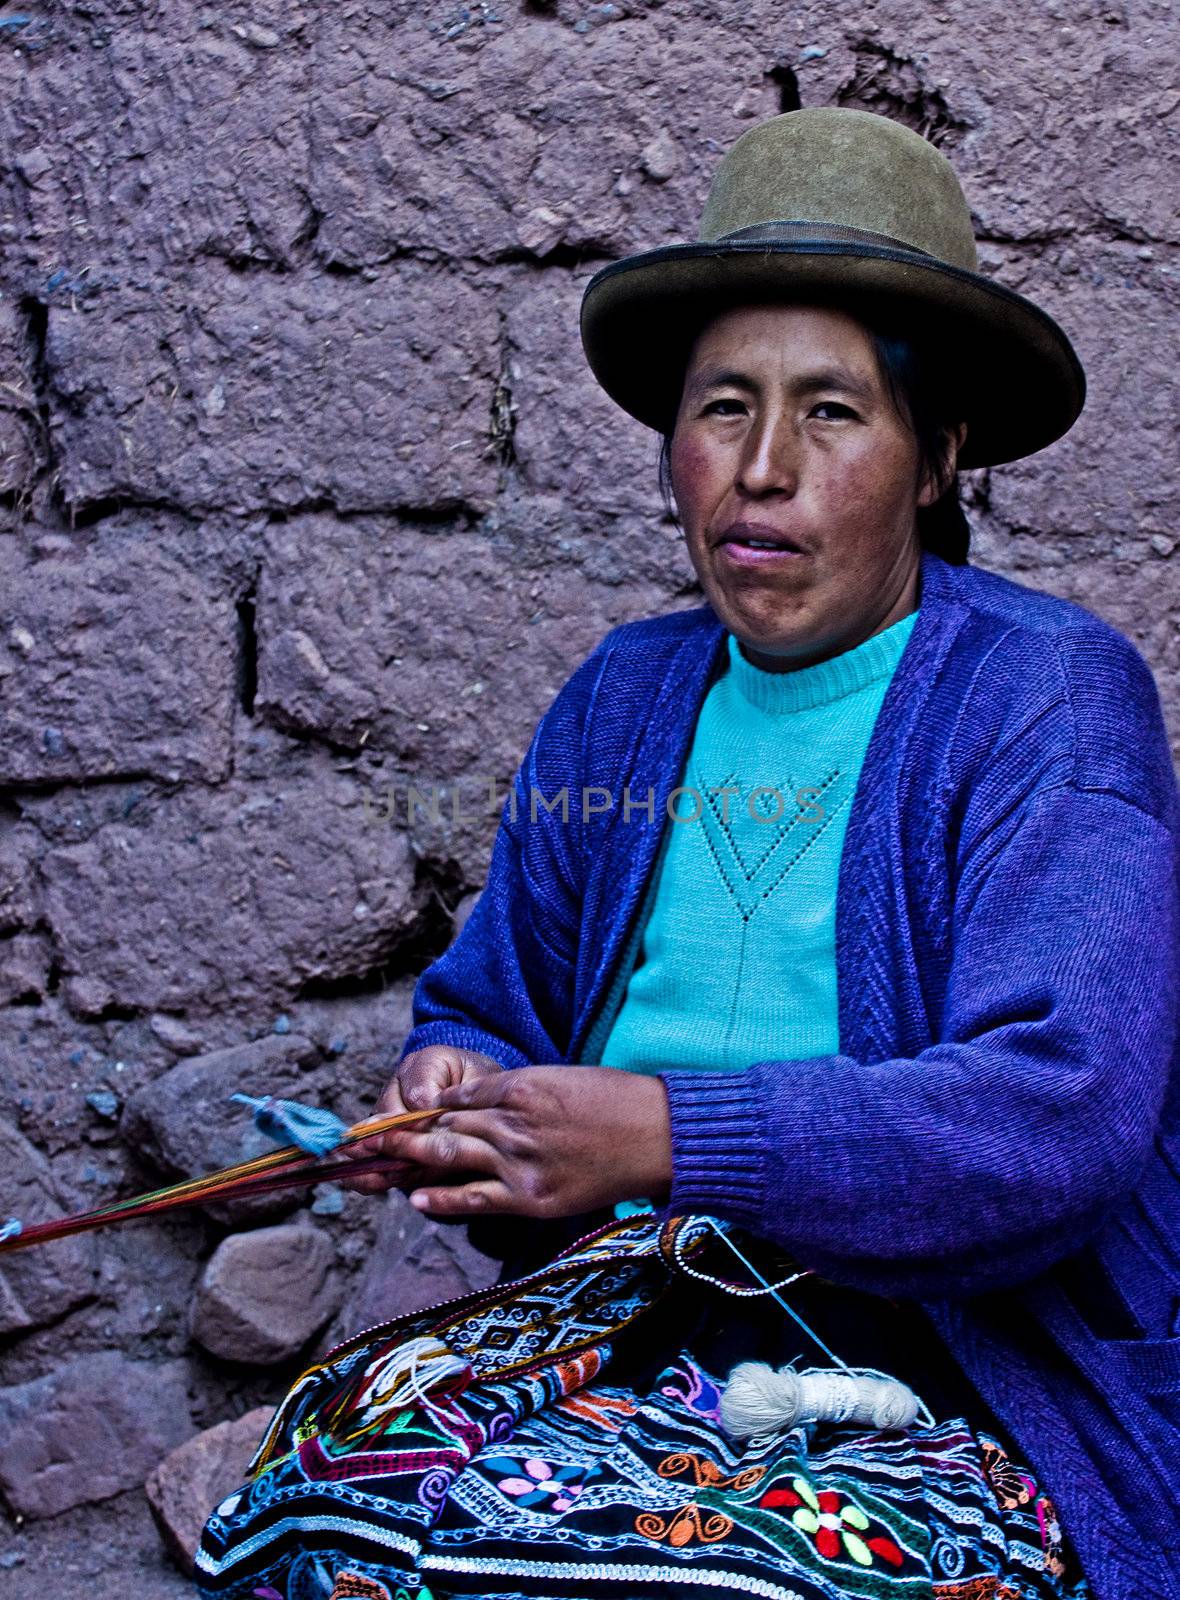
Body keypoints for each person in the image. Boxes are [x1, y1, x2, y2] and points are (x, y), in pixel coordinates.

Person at [196, 108, 1180, 1600]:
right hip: (639, 1330)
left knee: (697, 1580)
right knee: (318, 1515)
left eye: (833, 412)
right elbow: (492, 1004)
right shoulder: (628, 697)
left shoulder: (1044, 696)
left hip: (948, 1372)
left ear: (939, 457)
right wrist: (452, 1086)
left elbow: (1059, 1119)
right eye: (725, 407)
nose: (763, 469)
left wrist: (662, 1133)